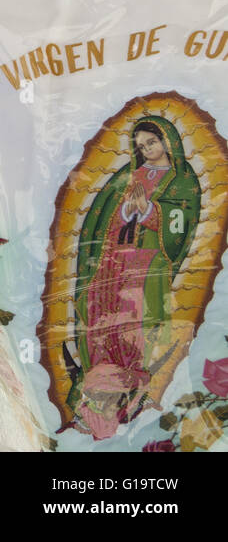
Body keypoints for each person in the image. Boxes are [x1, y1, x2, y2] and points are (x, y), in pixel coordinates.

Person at [65, 116, 199, 439]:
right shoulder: (130, 174)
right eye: (140, 146)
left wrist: (151, 210)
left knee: (134, 324)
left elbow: (179, 226)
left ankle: (129, 382)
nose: (147, 149)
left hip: (146, 262)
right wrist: (128, 210)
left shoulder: (182, 180)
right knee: (100, 313)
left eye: (151, 142)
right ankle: (100, 384)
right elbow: (109, 217)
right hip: (114, 259)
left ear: (167, 141)